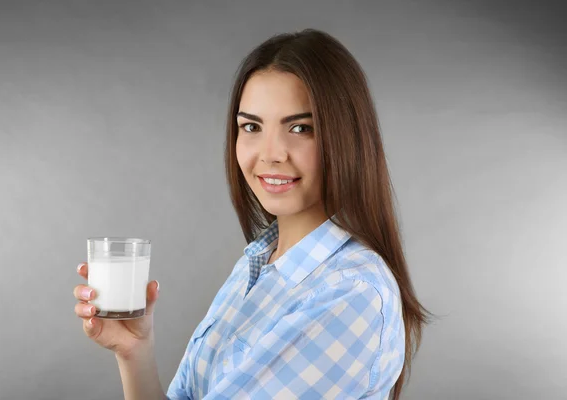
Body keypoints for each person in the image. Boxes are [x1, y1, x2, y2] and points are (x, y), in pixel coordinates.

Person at [73, 28, 431, 400]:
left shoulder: (349, 294)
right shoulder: (257, 264)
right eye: (252, 127)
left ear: (346, 138)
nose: (271, 153)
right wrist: (134, 352)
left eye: (300, 128)